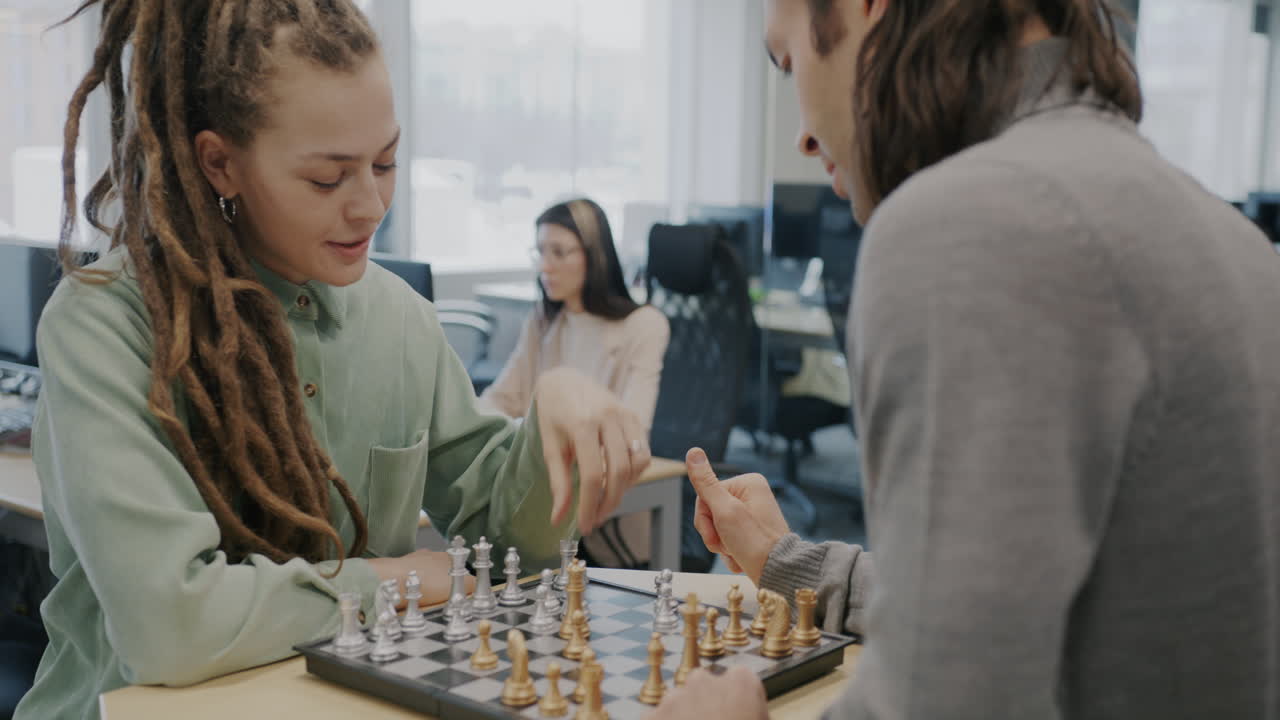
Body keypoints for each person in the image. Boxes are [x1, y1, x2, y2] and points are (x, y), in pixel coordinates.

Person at [15, 3, 651, 719]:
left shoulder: (400, 319)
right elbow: (171, 627)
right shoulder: (105, 329)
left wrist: (553, 413)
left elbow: (508, 547)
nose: (372, 205)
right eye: (328, 179)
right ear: (219, 162)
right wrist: (398, 580)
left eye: (385, 162)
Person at [653, 0, 1280, 718]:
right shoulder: (1236, 244)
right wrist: (784, 563)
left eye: (789, 61)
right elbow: (1033, 600)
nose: (800, 134)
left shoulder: (963, 223)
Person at [480, 198, 670, 567]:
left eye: (559, 252)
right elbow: (499, 400)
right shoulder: (544, 322)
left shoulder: (643, 326)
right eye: (540, 252)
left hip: (606, 520)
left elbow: (631, 435)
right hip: (539, 497)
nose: (545, 266)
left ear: (594, 256)